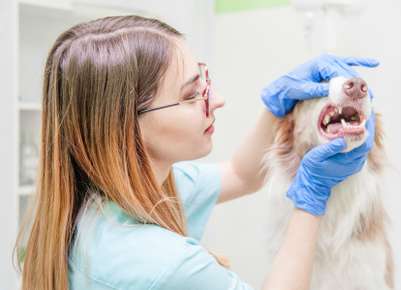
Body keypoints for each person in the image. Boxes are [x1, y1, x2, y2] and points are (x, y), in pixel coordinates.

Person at [15, 15, 379, 290]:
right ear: (126, 128)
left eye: (204, 80)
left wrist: (276, 103)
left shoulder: (113, 198)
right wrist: (312, 194)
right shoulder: (162, 265)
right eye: (192, 95)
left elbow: (241, 174)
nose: (216, 100)